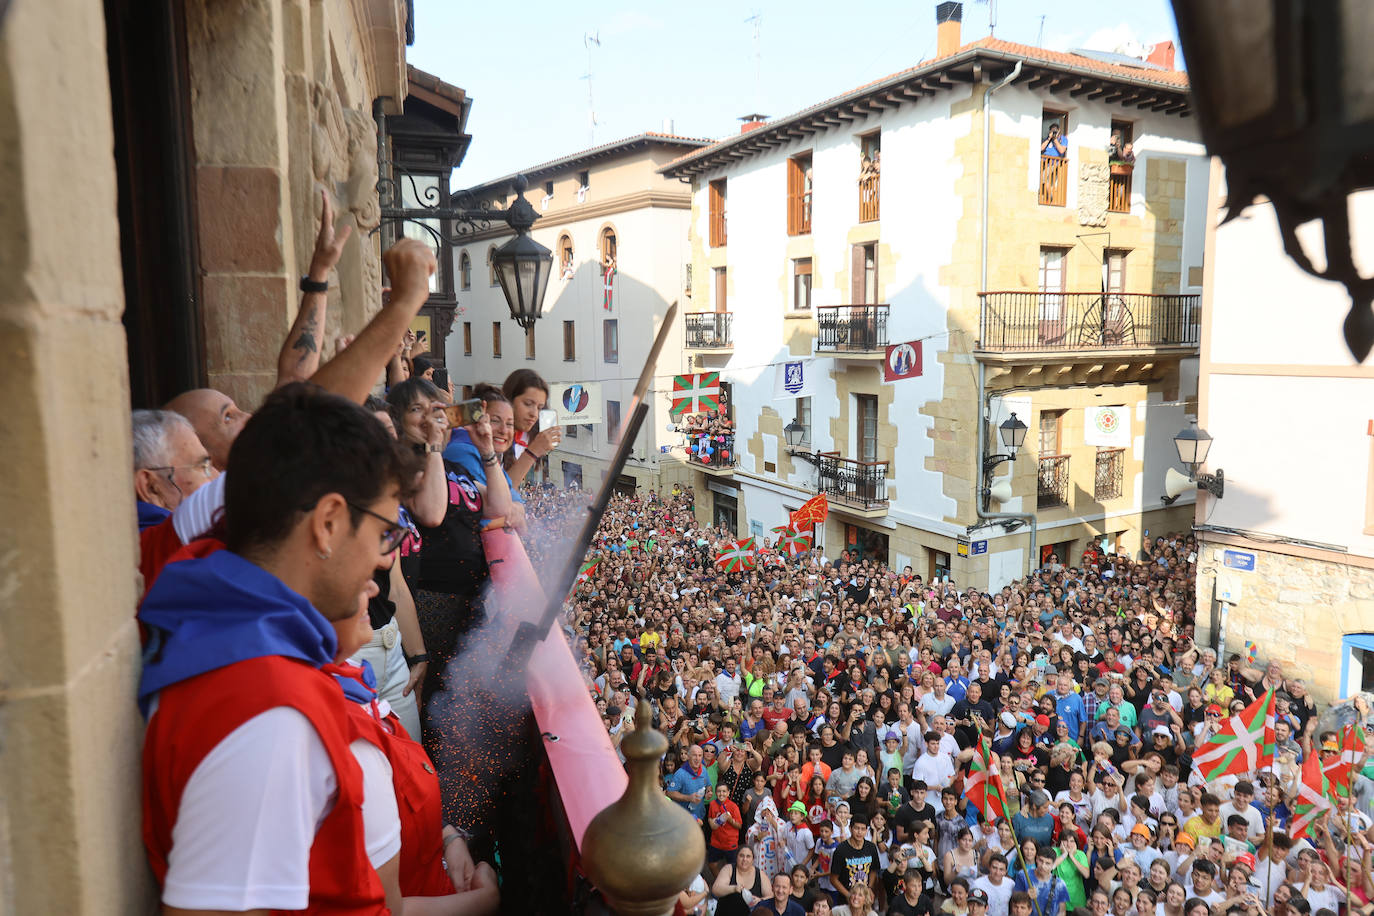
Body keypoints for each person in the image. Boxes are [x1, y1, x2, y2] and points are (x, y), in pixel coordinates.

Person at [138, 381, 421, 913]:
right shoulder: (268, 712)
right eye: (385, 532)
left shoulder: (215, 614)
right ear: (329, 523)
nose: (386, 559)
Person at [830, 815, 881, 908]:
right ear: (850, 828)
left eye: (863, 829)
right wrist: (849, 895)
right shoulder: (841, 850)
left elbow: (873, 870)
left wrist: (869, 888)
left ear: (866, 830)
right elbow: (833, 879)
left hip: (865, 899)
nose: (859, 832)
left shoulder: (871, 847)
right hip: (845, 900)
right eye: (856, 828)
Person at [715, 845, 768, 916]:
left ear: (753, 859)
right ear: (736, 858)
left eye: (748, 856)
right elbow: (716, 889)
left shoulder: (760, 874)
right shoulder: (729, 869)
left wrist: (760, 900)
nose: (744, 859)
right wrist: (733, 888)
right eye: (741, 856)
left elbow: (770, 896)